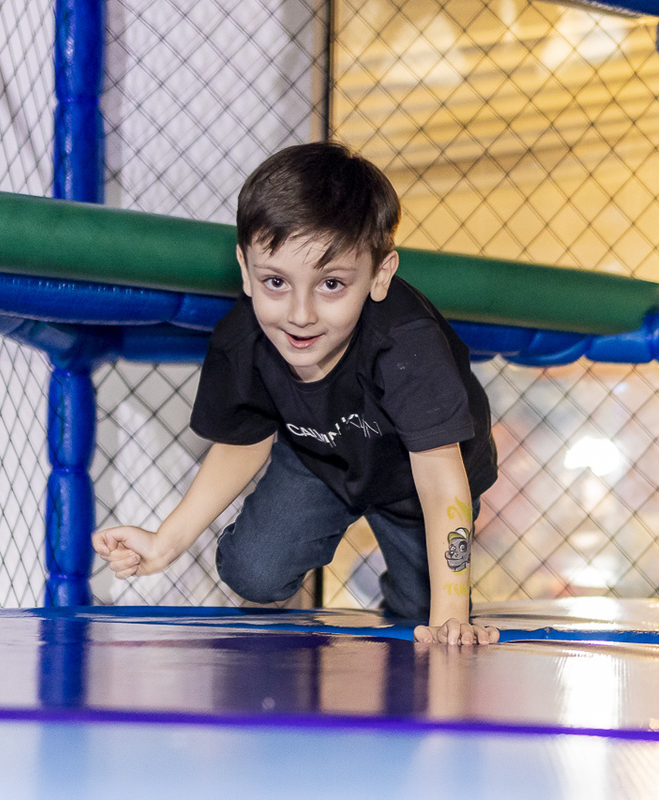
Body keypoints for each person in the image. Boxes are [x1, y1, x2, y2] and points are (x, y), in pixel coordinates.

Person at [93, 142, 499, 645]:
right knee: (253, 572)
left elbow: (439, 479)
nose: (300, 314)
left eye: (331, 284)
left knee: (426, 609)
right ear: (246, 270)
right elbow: (242, 442)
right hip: (319, 458)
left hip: (418, 477)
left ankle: (407, 605)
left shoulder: (406, 344)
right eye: (275, 282)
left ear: (379, 276)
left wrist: (451, 617)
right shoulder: (242, 340)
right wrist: (166, 542)